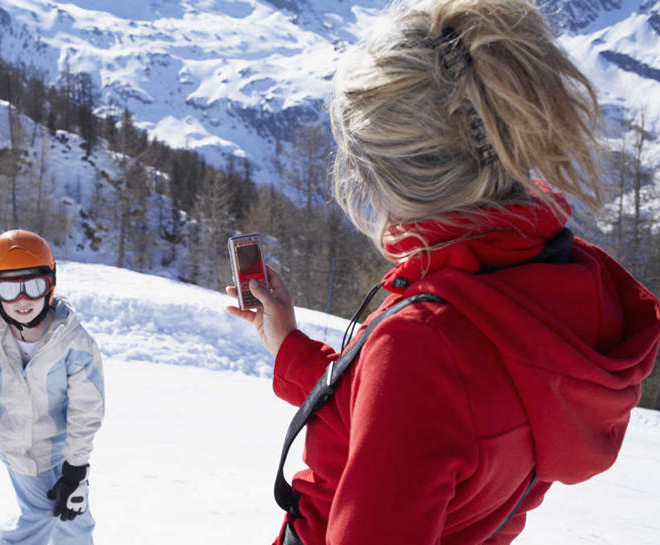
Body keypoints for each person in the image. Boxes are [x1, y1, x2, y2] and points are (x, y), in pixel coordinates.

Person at [226, 1, 660, 544]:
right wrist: (288, 346)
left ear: (391, 178)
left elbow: (419, 391)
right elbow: (410, 415)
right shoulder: (543, 281)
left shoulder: (423, 343)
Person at [0, 229, 105, 545]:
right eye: (8, 289)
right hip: (18, 449)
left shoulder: (74, 342)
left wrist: (75, 471)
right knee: (38, 519)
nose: (22, 300)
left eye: (33, 287)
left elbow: (86, 410)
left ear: (50, 284)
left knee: (75, 523)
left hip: (62, 450)